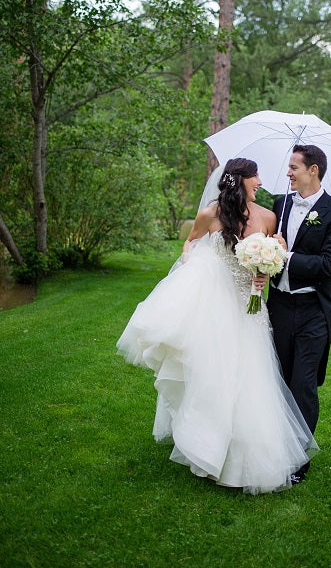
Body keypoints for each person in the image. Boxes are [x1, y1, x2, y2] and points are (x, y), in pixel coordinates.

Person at [116, 158, 318, 494]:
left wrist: (272, 260)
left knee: (251, 379)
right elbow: (191, 244)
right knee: (217, 377)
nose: (261, 182)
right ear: (241, 180)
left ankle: (247, 454)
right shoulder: (211, 214)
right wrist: (192, 262)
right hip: (219, 308)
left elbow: (273, 265)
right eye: (257, 177)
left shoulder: (268, 217)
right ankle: (209, 448)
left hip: (252, 309)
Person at [267, 145, 331, 483]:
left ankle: (298, 460)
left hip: (312, 311)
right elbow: (271, 250)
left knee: (302, 385)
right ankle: (272, 446)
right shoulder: (281, 202)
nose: (288, 172)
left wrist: (287, 257)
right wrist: (267, 257)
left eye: (293, 166)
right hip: (277, 306)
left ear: (313, 170)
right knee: (276, 380)